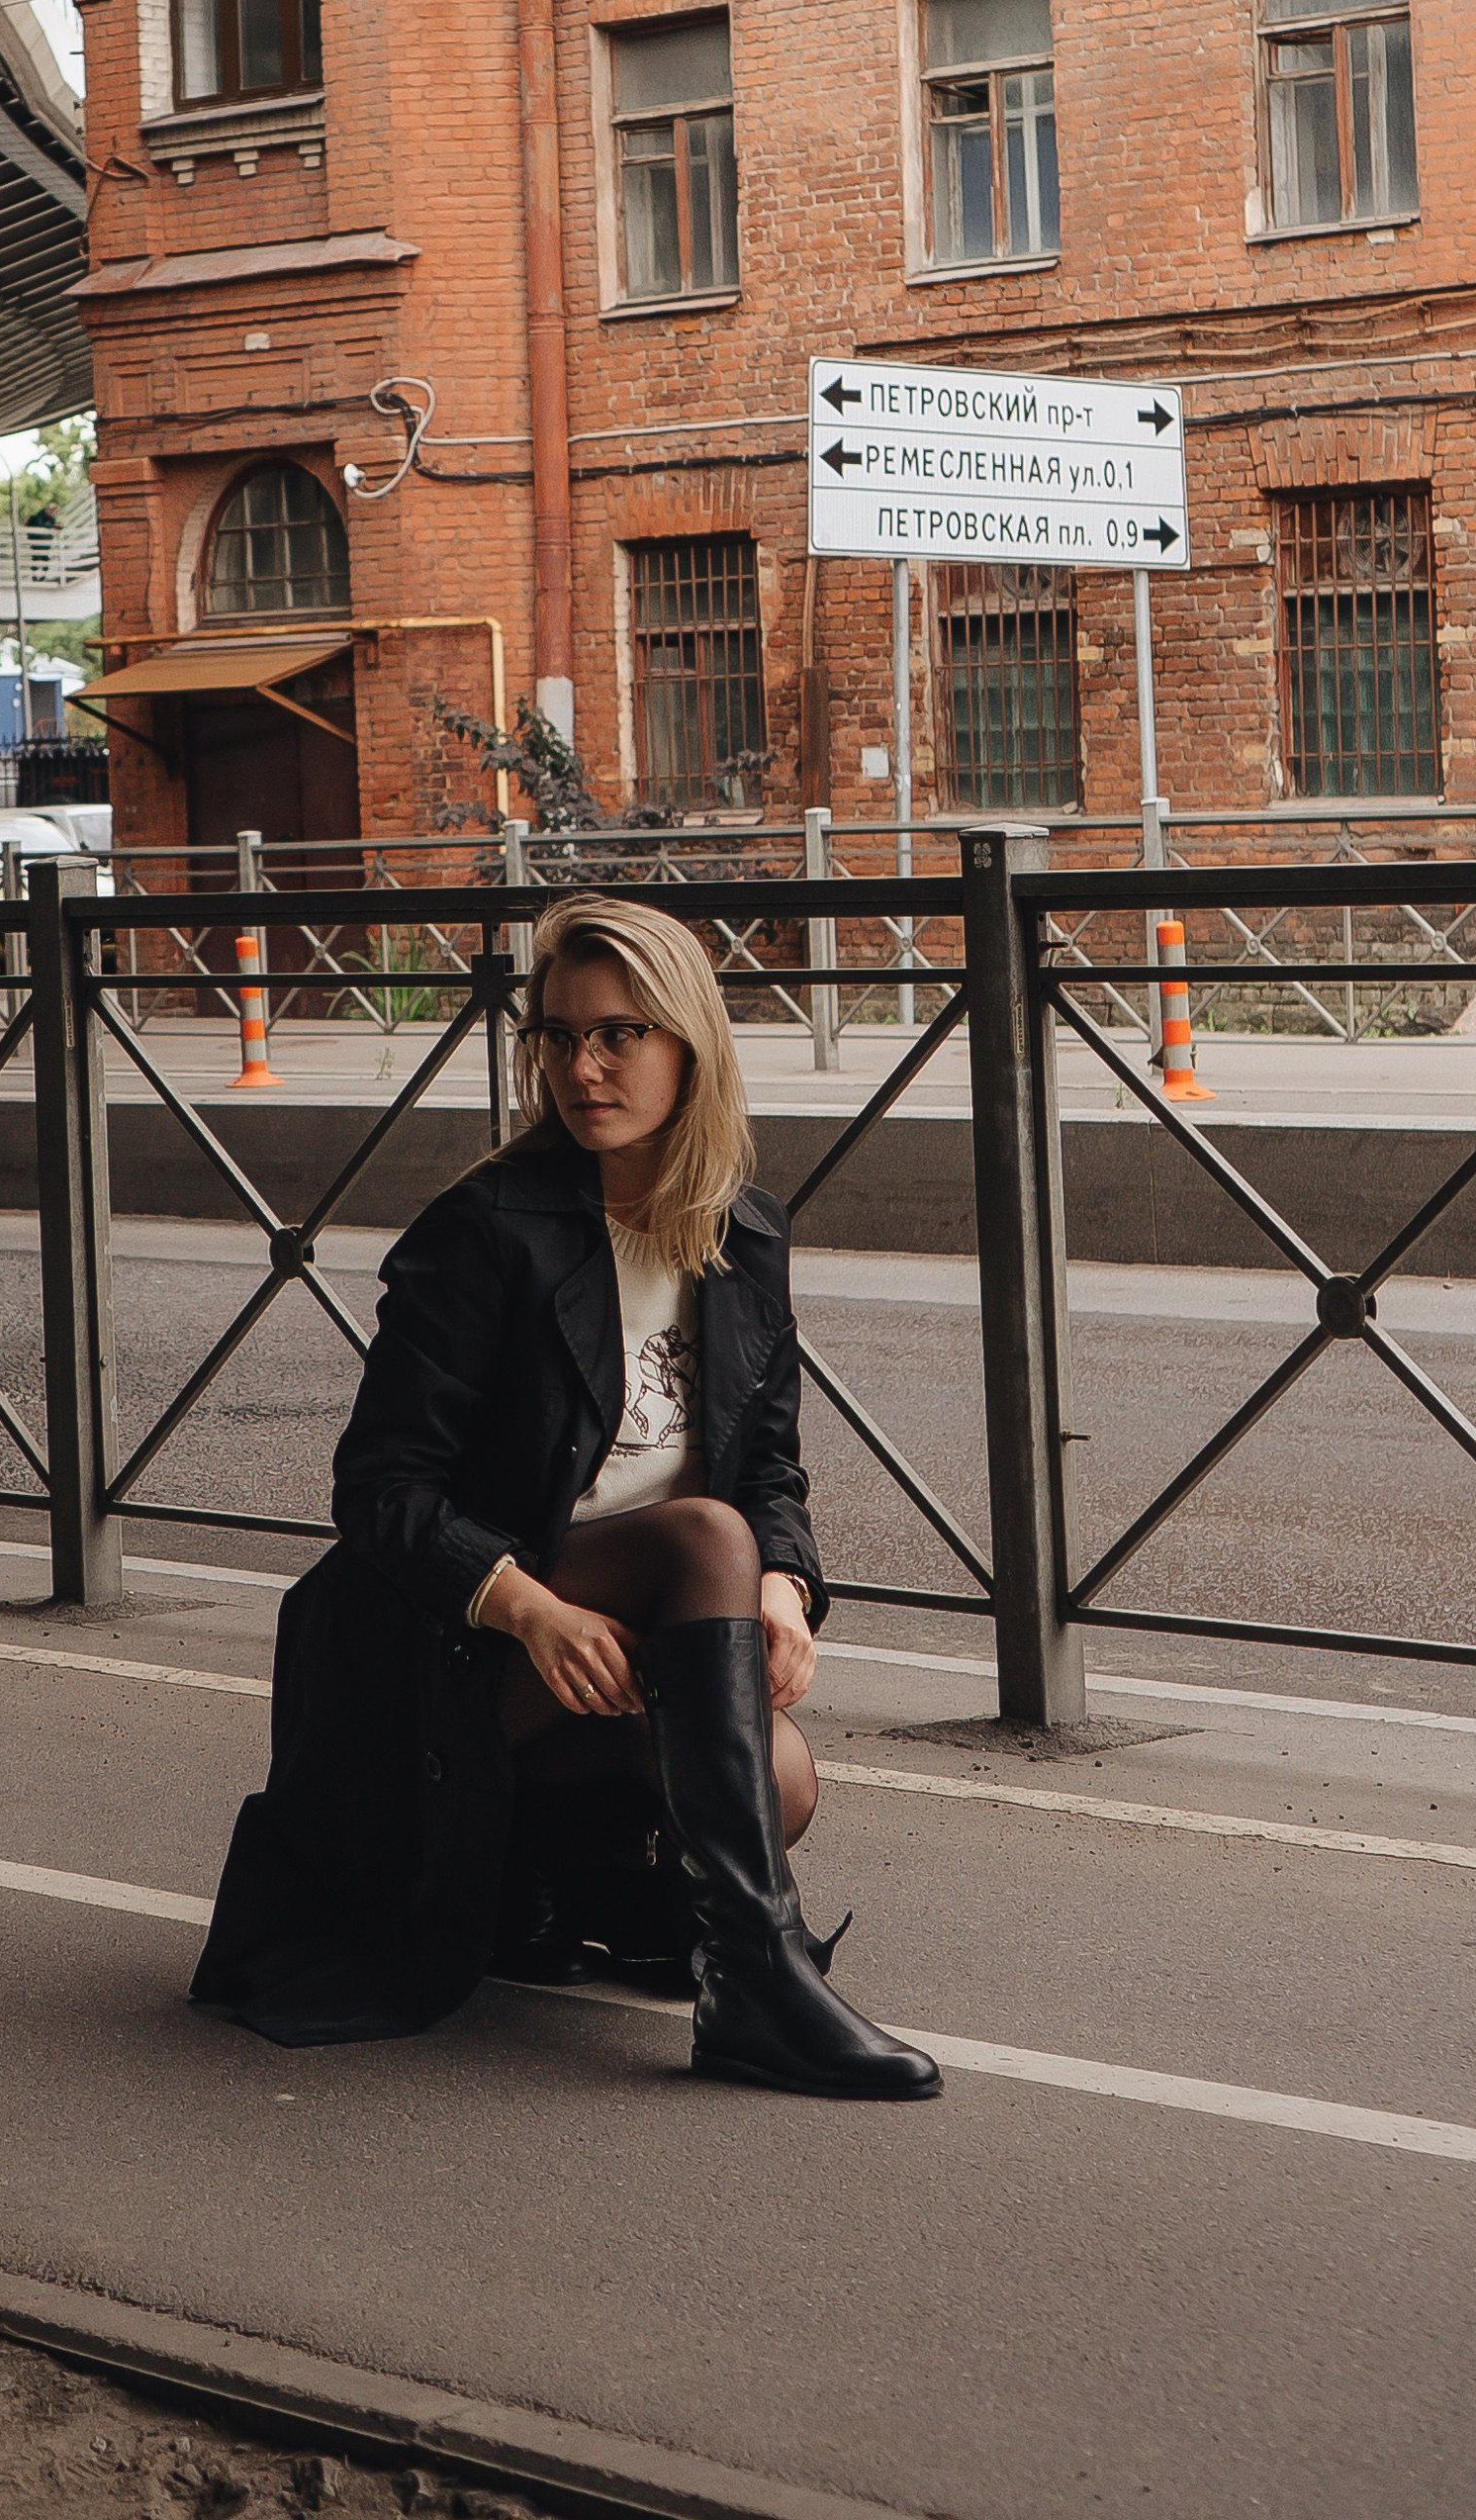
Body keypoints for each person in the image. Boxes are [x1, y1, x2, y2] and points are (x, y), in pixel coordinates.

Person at [191, 891, 939, 2099]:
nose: (580, 1067)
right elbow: (378, 1489)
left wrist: (789, 1585)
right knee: (705, 1537)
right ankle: (755, 1982)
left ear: (688, 1046)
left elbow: (769, 1466)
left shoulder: (742, 1235)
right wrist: (527, 1607)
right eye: (556, 1035)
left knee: (783, 1776)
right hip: (436, 1647)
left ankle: (543, 1880)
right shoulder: (487, 1230)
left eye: (618, 1035)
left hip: (614, 1644)